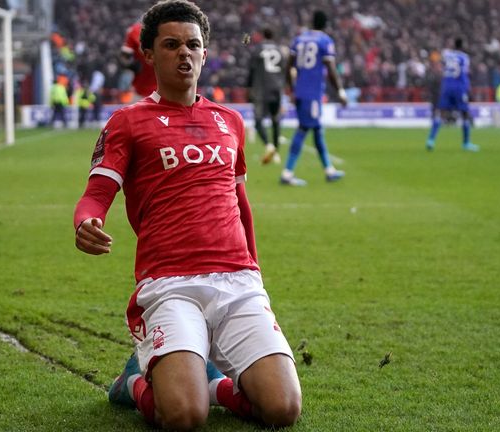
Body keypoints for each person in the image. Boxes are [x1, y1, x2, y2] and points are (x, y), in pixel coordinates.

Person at [73, 1, 301, 429]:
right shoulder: (126, 121)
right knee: (183, 416)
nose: (184, 53)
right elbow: (96, 194)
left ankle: (212, 383)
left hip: (237, 280)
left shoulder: (230, 121)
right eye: (172, 44)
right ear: (149, 54)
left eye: (192, 45)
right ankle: (134, 382)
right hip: (170, 283)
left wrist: (254, 271)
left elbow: (241, 204)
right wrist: (86, 221)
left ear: (205, 52)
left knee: (283, 408)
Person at [281, 10, 347, 186]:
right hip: (312, 94)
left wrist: (292, 89)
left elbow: (288, 66)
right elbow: (331, 68)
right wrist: (340, 91)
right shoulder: (325, 41)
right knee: (303, 129)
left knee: (317, 130)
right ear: (325, 24)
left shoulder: (299, 39)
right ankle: (287, 172)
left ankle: (329, 170)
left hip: (301, 92)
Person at [426, 38, 479, 152]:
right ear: (462, 46)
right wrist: (468, 89)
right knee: (464, 113)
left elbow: (441, 65)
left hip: (446, 86)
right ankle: (466, 143)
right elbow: (464, 73)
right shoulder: (464, 57)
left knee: (440, 113)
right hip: (459, 87)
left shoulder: (447, 54)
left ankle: (431, 140)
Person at [247, 27, 288, 165]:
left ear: (263, 35)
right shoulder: (280, 50)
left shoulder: (258, 49)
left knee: (258, 121)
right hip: (276, 89)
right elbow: (285, 71)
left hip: (261, 89)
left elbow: (251, 71)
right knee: (276, 121)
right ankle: (276, 152)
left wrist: (249, 88)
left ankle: (269, 146)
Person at [120, 21, 157, 98]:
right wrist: (131, 65)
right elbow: (125, 56)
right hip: (141, 88)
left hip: (159, 89)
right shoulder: (135, 30)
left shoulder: (169, 30)